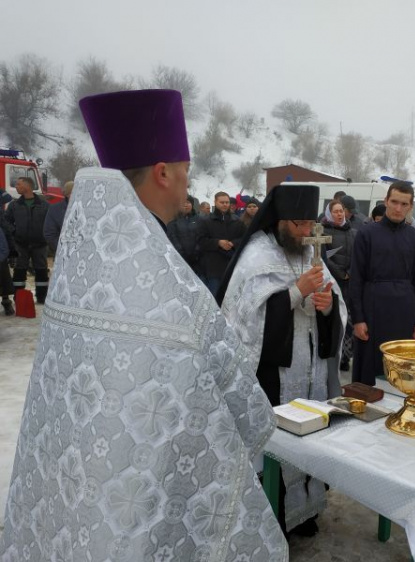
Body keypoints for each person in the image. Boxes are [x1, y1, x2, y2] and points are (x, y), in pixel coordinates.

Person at [0, 89, 286, 561]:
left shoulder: (80, 264)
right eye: (186, 174)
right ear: (163, 173)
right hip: (134, 493)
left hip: (75, 484)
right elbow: (246, 410)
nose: (186, 187)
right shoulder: (172, 287)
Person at [218, 183, 346, 536]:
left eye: (310, 223)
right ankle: (274, 518)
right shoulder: (256, 256)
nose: (308, 232)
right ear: (280, 220)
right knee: (279, 440)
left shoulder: (311, 250)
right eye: (299, 224)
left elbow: (334, 304)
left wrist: (327, 307)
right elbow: (247, 319)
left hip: (312, 369)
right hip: (276, 370)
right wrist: (296, 292)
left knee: (312, 436)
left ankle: (305, 512)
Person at [349, 181, 415, 386]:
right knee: (370, 375)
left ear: (411, 206)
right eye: (394, 202)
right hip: (372, 310)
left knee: (401, 374)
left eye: (404, 204)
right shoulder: (366, 234)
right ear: (385, 201)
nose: (398, 208)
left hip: (405, 314)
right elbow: (356, 279)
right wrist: (358, 318)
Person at [322, 199, 357, 371]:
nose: (339, 214)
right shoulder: (322, 232)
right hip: (333, 281)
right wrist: (340, 273)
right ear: (329, 213)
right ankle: (332, 355)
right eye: (335, 211)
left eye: (341, 211)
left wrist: (351, 270)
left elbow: (359, 254)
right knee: (335, 318)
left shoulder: (353, 232)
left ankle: (345, 356)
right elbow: (323, 257)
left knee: (349, 321)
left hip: (350, 283)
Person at [5, 177, 50, 304]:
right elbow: (6, 221)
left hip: (40, 245)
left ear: (27, 187)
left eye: (18, 184)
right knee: (19, 271)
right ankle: (18, 297)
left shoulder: (44, 205)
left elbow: (50, 224)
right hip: (20, 245)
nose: (16, 187)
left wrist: (45, 236)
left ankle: (41, 298)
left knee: (41, 272)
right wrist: (15, 232)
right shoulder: (14, 205)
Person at [196, 191, 246, 298]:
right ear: (215, 202)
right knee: (215, 299)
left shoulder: (237, 221)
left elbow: (244, 238)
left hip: (232, 267)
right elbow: (201, 241)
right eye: (222, 202)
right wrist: (218, 243)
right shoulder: (206, 221)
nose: (225, 205)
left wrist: (233, 243)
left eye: (227, 202)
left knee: (232, 300)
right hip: (213, 267)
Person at [167, 195, 201, 276]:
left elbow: (202, 235)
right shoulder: (173, 219)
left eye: (188, 202)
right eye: (183, 202)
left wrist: (197, 251)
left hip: (198, 258)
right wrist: (181, 253)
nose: (186, 204)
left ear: (192, 205)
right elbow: (172, 237)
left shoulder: (199, 219)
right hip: (180, 258)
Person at [43, 180, 74, 253]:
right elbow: (49, 233)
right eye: (72, 192)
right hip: (63, 253)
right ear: (67, 194)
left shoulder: (86, 208)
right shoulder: (55, 209)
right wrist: (63, 248)